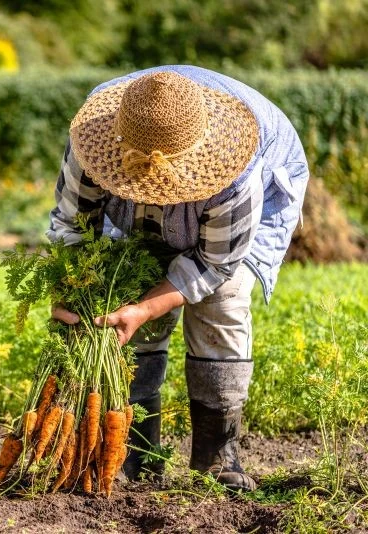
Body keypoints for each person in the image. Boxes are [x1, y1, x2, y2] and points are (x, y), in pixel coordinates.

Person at [47, 66, 309, 491]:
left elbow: (216, 263)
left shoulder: (233, 168)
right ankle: (136, 455)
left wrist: (147, 307)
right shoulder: (94, 142)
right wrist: (71, 291)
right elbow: (73, 227)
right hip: (136, 208)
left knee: (220, 306)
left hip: (235, 222)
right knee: (126, 313)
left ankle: (216, 459)